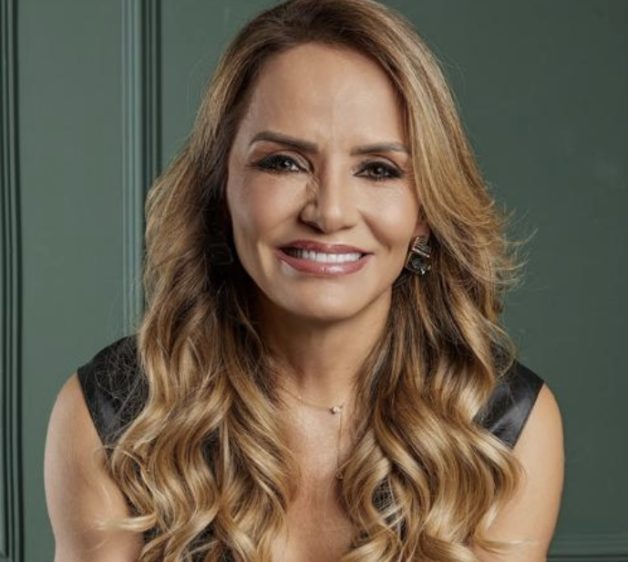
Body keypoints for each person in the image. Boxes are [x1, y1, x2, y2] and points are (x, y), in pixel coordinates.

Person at [44, 0, 564, 561]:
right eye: (284, 162)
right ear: (220, 187)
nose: (330, 212)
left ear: (425, 213)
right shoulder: (112, 415)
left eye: (378, 169)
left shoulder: (507, 427)